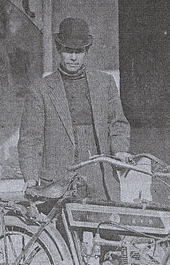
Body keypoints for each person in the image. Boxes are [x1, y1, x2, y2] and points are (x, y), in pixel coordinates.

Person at [18, 16, 131, 202]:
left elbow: (117, 124)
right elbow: (30, 138)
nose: (73, 57)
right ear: (58, 49)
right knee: (65, 231)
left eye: (78, 51)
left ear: (86, 51)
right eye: (68, 51)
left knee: (109, 227)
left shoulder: (105, 83)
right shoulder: (41, 89)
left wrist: (119, 151)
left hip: (100, 177)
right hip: (60, 180)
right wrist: (31, 178)